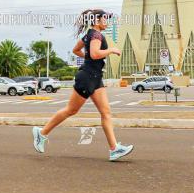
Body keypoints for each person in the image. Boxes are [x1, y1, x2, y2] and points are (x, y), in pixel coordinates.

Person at [32, 9, 134, 161]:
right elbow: (94, 54)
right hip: (87, 77)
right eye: (104, 19)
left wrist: (91, 58)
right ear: (96, 21)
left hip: (95, 78)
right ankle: (42, 133)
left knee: (106, 113)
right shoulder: (96, 35)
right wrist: (110, 50)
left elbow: (76, 50)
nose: (107, 21)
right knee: (71, 110)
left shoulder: (89, 35)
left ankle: (114, 149)